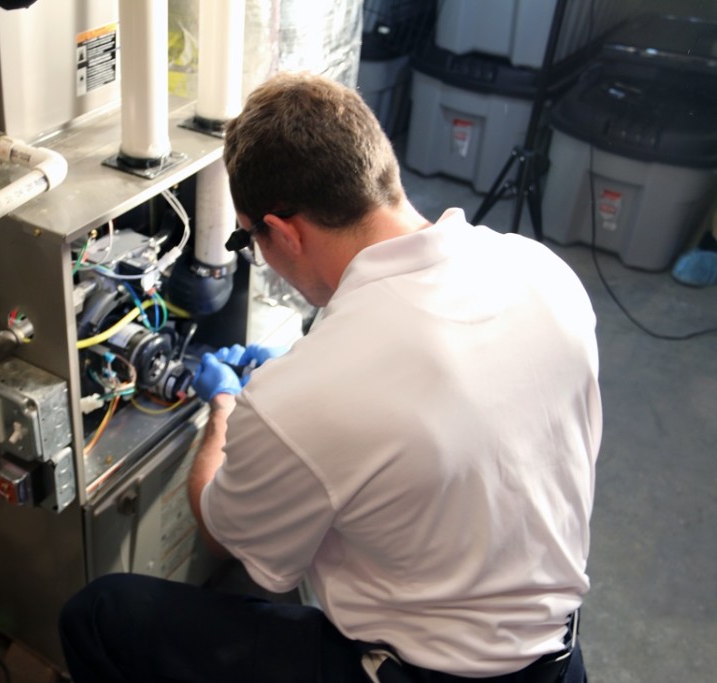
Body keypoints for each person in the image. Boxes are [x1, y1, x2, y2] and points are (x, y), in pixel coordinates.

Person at [59, 72, 600, 682]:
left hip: (416, 676)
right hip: (558, 661)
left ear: (283, 232)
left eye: (248, 238)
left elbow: (220, 532)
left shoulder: (304, 399)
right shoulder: (543, 272)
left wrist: (226, 411)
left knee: (101, 613)